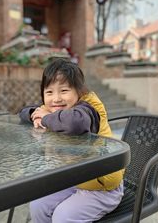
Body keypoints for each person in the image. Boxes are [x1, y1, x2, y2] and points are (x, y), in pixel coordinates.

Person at [19, 58, 124, 223]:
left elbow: (75, 123)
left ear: (79, 92)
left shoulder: (88, 109)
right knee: (37, 205)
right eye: (49, 92)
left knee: (63, 216)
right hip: (75, 179)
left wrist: (46, 118)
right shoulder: (55, 108)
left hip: (103, 185)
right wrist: (35, 114)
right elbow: (23, 112)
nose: (56, 98)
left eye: (64, 90)